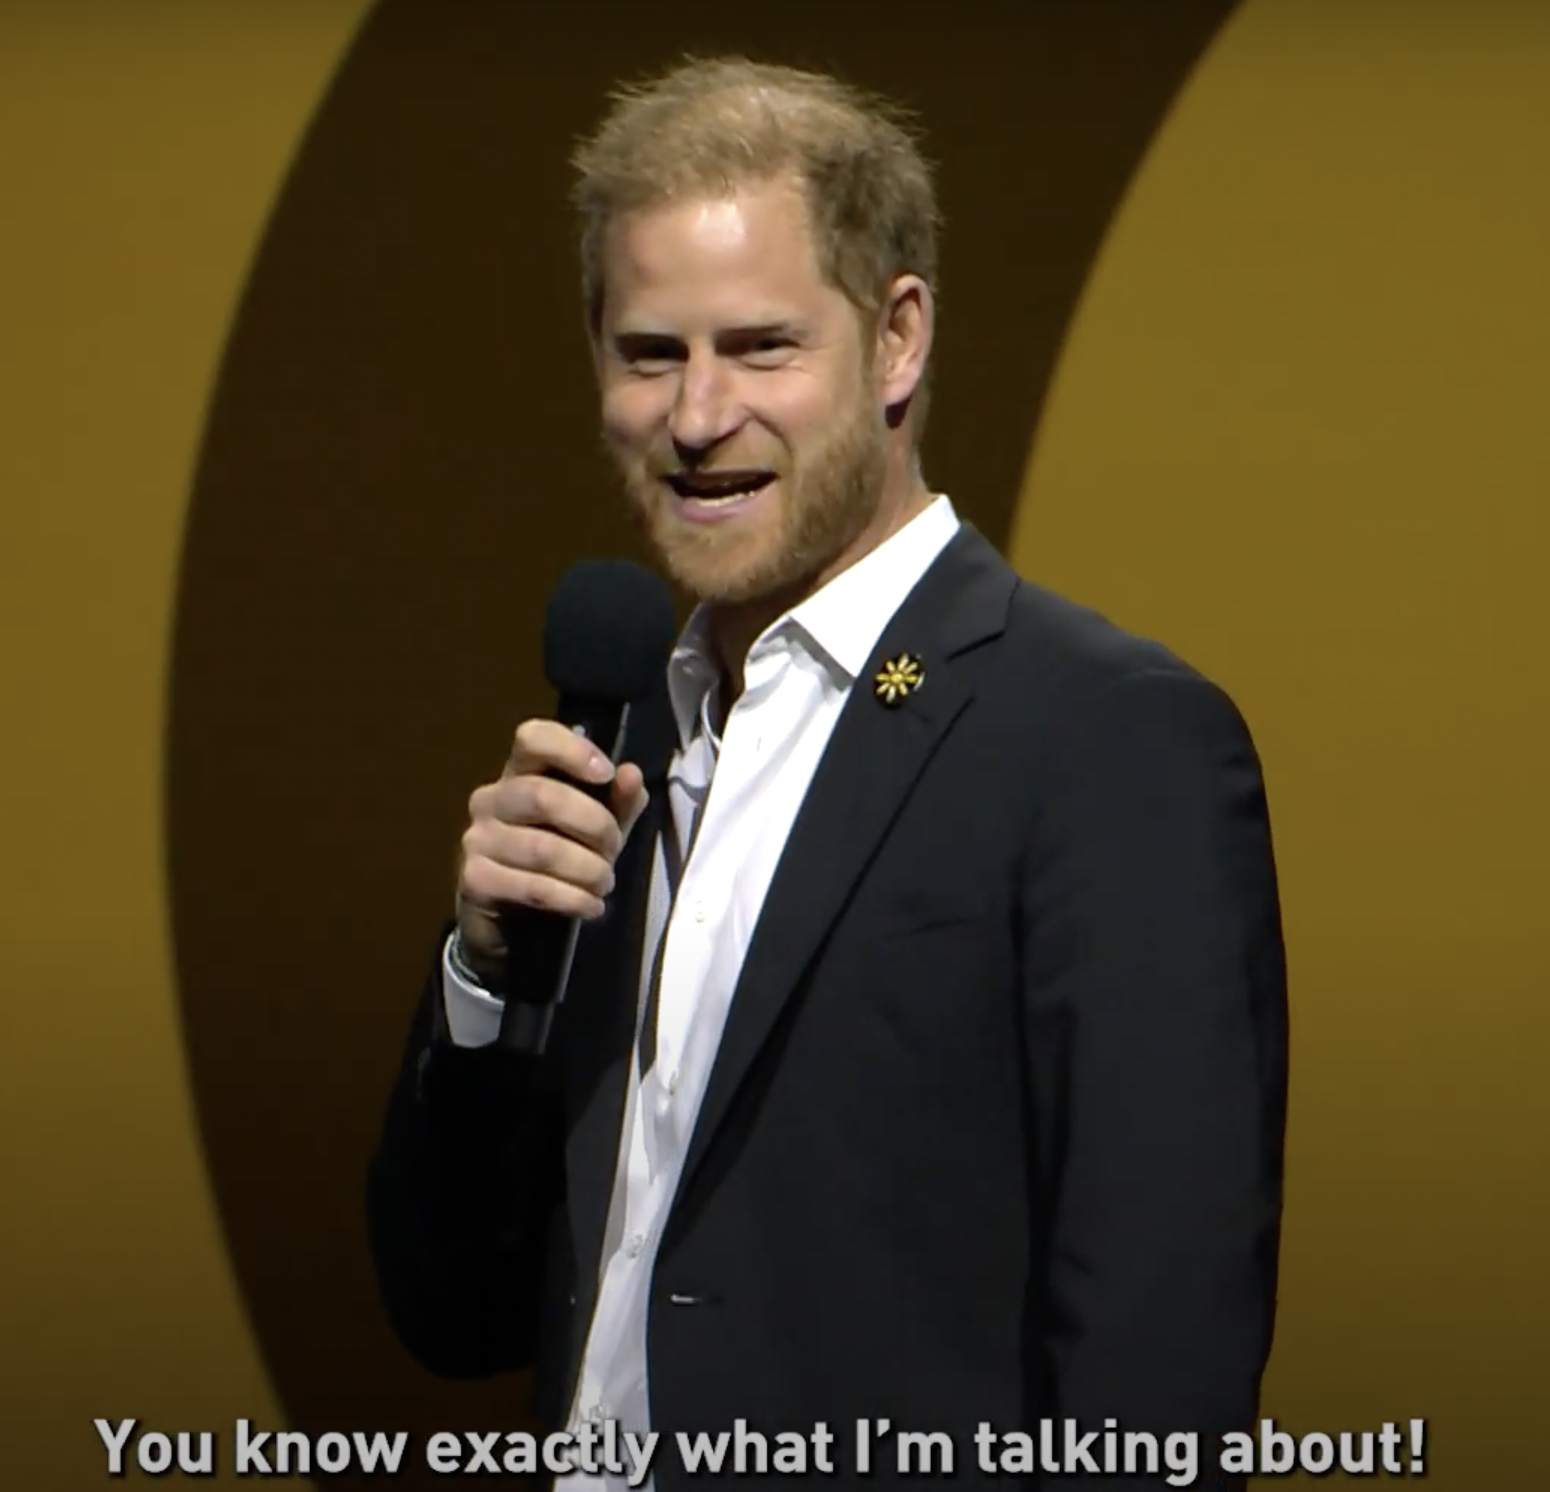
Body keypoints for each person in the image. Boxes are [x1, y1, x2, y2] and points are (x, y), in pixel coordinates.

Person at [366, 56, 1287, 1491]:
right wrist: (486, 987)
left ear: (898, 339)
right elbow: (453, 1312)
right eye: (650, 353)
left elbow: (1157, 1364)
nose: (696, 415)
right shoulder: (625, 744)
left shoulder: (1103, 739)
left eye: (761, 347)